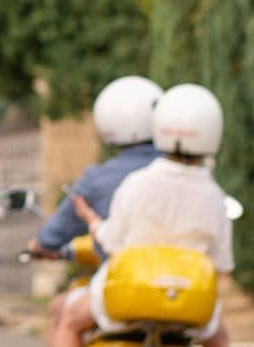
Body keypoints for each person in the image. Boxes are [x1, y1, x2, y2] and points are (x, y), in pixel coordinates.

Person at [40, 83, 234, 347]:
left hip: (127, 297)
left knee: (68, 321)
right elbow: (221, 261)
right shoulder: (214, 196)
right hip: (189, 306)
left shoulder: (138, 184)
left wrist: (91, 221)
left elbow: (113, 241)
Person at [26, 74, 162, 262]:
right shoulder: (188, 171)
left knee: (68, 293)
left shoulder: (95, 180)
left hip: (123, 283)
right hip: (188, 282)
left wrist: (38, 246)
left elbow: (51, 237)